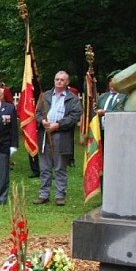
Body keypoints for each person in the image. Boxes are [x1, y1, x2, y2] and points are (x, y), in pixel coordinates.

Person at [33, 71, 82, 206]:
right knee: (45, 167)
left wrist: (58, 125)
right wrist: (42, 121)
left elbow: (75, 116)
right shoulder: (45, 96)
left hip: (62, 135)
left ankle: (60, 195)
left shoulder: (73, 99)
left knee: (60, 167)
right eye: (57, 79)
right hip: (44, 135)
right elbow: (37, 113)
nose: (59, 82)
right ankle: (44, 194)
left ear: (67, 82)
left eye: (62, 80)